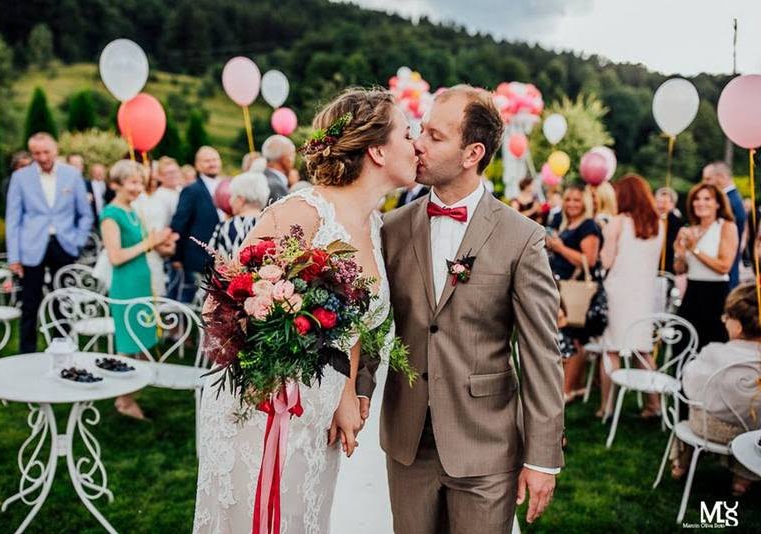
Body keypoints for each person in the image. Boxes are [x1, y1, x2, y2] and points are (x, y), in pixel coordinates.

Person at [194, 88, 416, 532]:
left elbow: (354, 327)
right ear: (377, 149)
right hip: (265, 408)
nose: (418, 145)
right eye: (408, 135)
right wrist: (286, 356)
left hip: (319, 415)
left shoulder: (374, 225)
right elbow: (223, 307)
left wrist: (347, 392)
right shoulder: (303, 212)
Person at [359, 85, 563, 533]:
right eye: (420, 131)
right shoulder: (390, 229)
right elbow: (374, 322)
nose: (417, 144)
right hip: (408, 440)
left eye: (434, 136)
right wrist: (359, 388)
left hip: (485, 445)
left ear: (472, 153)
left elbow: (541, 355)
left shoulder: (521, 238)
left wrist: (543, 458)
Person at [101, 160, 177, 419]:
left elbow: (149, 245)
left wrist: (163, 244)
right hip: (125, 286)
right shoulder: (111, 215)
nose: (138, 187)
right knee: (128, 345)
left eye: (139, 182)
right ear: (115, 185)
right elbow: (116, 256)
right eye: (132, 182)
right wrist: (148, 242)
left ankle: (128, 394)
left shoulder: (134, 210)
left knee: (145, 344)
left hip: (143, 284)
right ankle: (123, 400)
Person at [6, 132, 94, 353]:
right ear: (31, 153)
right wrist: (14, 257)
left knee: (62, 300)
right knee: (30, 303)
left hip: (65, 244)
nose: (42, 157)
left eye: (46, 152)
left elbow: (85, 214)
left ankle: (61, 349)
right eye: (36, 153)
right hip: (31, 247)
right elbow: (13, 218)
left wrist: (78, 239)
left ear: (55, 150)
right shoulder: (20, 177)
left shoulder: (72, 175)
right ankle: (26, 353)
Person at [670, 283, 761, 496]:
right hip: (753, 434)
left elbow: (689, 386)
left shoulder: (715, 353)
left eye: (726, 318)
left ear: (737, 326)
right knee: (752, 422)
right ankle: (742, 479)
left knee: (696, 409)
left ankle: (682, 464)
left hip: (708, 429)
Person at [597, 174, 663, 418]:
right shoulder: (658, 225)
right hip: (644, 294)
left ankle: (607, 406)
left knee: (611, 350)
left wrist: (604, 234)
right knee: (642, 350)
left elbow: (606, 260)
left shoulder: (618, 222)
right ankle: (654, 405)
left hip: (618, 293)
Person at [546, 183, 601, 403]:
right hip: (562, 286)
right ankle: (573, 386)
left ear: (584, 203)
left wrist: (560, 248)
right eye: (568, 200)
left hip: (576, 291)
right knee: (564, 337)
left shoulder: (589, 226)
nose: (571, 204)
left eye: (577, 200)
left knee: (575, 339)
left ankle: (566, 390)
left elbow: (589, 260)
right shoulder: (565, 222)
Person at [673, 183, 738, 349]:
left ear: (717, 204)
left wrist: (694, 249)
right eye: (697, 199)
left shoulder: (725, 227)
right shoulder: (691, 229)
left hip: (715, 295)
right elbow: (680, 269)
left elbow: (724, 266)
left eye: (707, 199)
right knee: (684, 345)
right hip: (692, 292)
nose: (700, 203)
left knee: (711, 346)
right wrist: (680, 252)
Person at [169, 146, 223, 302]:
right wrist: (176, 257)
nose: (212, 163)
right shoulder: (191, 190)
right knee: (189, 304)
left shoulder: (227, 186)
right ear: (197, 165)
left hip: (221, 260)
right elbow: (179, 223)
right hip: (197, 259)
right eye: (207, 161)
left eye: (215, 159)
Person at [133, 157, 182, 296]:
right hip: (160, 247)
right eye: (168, 173)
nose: (173, 176)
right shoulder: (159, 197)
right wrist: (165, 246)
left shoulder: (179, 190)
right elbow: (158, 225)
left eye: (175, 172)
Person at [207, 168, 269, 258]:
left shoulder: (225, 227)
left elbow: (217, 263)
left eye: (232, 196)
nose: (230, 201)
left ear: (240, 200)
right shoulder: (272, 223)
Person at [702, 162, 745, 289]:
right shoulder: (733, 198)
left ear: (721, 177)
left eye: (708, 179)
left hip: (723, 273)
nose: (705, 183)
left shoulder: (728, 202)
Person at [655, 186, 683, 273]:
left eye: (665, 203)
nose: (660, 206)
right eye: (658, 202)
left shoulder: (676, 221)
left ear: (673, 205)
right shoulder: (649, 220)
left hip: (667, 269)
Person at [261, 134, 295, 203]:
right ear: (285, 159)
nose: (293, 159)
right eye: (292, 154)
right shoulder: (276, 187)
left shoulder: (262, 177)